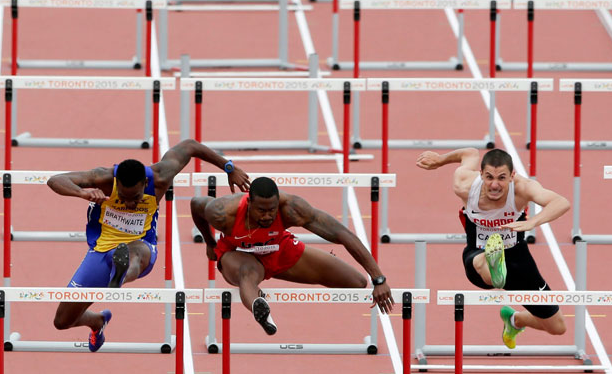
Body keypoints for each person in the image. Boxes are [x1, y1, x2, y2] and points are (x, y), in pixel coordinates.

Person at [45, 139, 251, 351]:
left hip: (141, 244)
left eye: (134, 198)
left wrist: (229, 167)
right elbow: (55, 180)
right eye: (123, 198)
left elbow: (190, 146)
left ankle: (121, 275)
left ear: (145, 183)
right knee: (62, 322)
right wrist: (82, 193)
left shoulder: (161, 176)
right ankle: (97, 321)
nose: (129, 204)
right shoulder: (103, 178)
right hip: (101, 249)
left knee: (134, 255)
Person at [190, 176, 394, 335]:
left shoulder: (292, 209)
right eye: (261, 211)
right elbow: (196, 204)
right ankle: (259, 309)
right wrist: (210, 242)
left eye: (272, 210)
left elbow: (342, 234)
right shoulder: (223, 211)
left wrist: (378, 278)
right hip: (238, 255)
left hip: (278, 249)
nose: (267, 216)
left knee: (356, 282)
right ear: (249, 203)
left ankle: (258, 291)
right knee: (249, 272)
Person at [416, 147, 570, 348]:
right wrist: (440, 160)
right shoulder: (464, 184)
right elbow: (470, 153)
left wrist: (532, 222)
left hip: (518, 259)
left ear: (512, 176)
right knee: (485, 266)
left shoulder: (522, 188)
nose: (494, 185)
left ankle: (515, 320)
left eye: (501, 178)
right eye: (489, 177)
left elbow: (561, 202)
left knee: (557, 327)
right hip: (477, 255)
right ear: (480, 174)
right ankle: (494, 264)